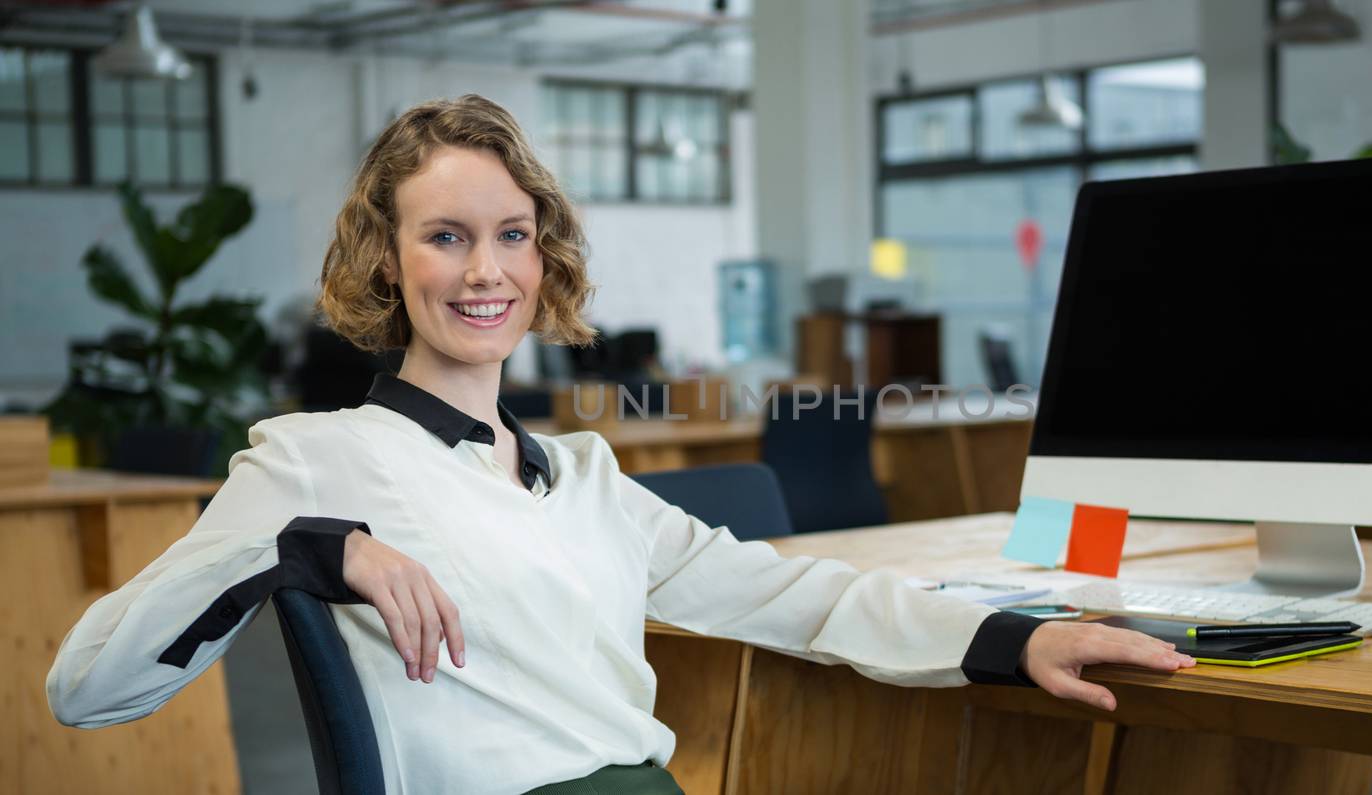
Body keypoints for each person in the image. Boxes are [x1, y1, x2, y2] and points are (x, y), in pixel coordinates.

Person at [46, 94, 1193, 794]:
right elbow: (86, 685)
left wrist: (1010, 639)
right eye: (445, 237)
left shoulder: (585, 478)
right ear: (387, 262)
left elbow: (800, 598)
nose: (486, 271)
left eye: (511, 235)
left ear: (544, 259)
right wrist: (310, 547)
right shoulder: (311, 457)